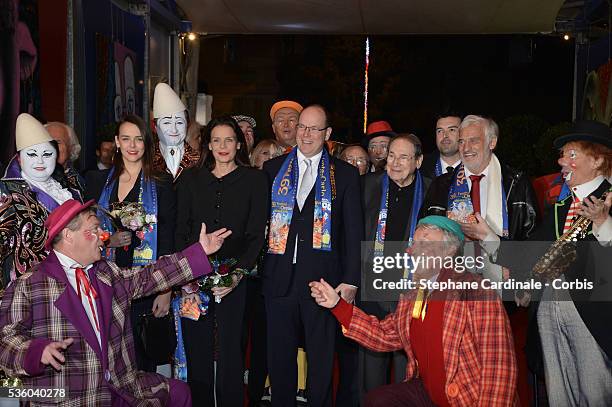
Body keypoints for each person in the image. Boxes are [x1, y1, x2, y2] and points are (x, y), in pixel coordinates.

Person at [0, 198, 232, 406]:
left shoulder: (106, 273)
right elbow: (5, 343)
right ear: (68, 235)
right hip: (67, 395)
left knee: (179, 393)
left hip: (120, 387)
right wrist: (35, 352)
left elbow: (149, 276)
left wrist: (200, 251)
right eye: (94, 228)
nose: (104, 235)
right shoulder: (30, 284)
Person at [310, 216, 519, 406]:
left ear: (449, 250)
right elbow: (384, 334)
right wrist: (337, 305)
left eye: (424, 242)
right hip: (428, 394)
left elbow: (499, 368)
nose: (413, 251)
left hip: (468, 399)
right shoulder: (414, 295)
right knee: (379, 400)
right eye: (413, 244)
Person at [421, 115, 537, 404]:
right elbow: (424, 234)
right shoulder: (442, 185)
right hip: (450, 291)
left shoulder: (517, 182)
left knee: (496, 370)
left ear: (492, 142)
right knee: (454, 368)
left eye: (473, 140)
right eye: (462, 141)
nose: (466, 147)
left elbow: (533, 242)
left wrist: (522, 278)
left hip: (500, 292)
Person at [497, 120, 612, 405]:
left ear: (597, 160)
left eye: (571, 154)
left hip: (595, 316)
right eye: (562, 154)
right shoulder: (561, 206)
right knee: (558, 393)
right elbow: (535, 253)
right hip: (549, 308)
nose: (561, 161)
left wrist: (603, 222)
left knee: (595, 394)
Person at [263, 104, 363, 406]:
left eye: (314, 128)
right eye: (302, 127)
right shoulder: (272, 170)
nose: (305, 134)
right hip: (279, 279)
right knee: (279, 360)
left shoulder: (344, 175)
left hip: (323, 283)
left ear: (327, 134)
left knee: (320, 361)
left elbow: (354, 232)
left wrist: (350, 281)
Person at [175, 116, 269, 406]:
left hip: (235, 277)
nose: (223, 146)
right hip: (194, 277)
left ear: (239, 143)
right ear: (208, 145)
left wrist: (236, 275)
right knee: (196, 348)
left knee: (231, 351)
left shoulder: (254, 179)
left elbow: (257, 236)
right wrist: (191, 269)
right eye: (216, 140)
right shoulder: (190, 180)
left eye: (229, 139)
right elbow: (181, 230)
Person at [85, 114, 176, 373]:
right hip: (106, 282)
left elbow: (168, 237)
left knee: (142, 358)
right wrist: (107, 240)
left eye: (138, 139)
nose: (132, 145)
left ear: (147, 143)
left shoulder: (161, 183)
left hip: (147, 282)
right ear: (116, 141)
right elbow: (85, 230)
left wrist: (165, 289)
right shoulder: (97, 181)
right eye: (126, 139)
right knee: (109, 358)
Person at [358, 133, 430, 403]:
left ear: (419, 161)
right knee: (371, 378)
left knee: (407, 376)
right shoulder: (368, 186)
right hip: (373, 290)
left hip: (411, 293)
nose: (396, 163)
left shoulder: (432, 190)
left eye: (404, 157)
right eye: (391, 156)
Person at [0, 113, 82, 289]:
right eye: (31, 154)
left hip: (73, 282)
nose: (40, 161)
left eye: (47, 154)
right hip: (29, 290)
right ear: (20, 159)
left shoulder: (67, 188)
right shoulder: (7, 192)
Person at [152, 82, 200, 182]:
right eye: (166, 123)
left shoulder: (200, 160)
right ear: (155, 127)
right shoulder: (146, 159)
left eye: (179, 122)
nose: (174, 130)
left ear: (187, 125)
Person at [45, 121, 86, 194]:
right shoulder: (28, 180)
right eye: (47, 142)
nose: (51, 147)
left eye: (58, 142)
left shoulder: (82, 185)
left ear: (71, 148)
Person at [420, 112, 462, 179]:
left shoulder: (476, 167)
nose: (445, 135)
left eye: (451, 130)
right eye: (440, 131)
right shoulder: (420, 170)